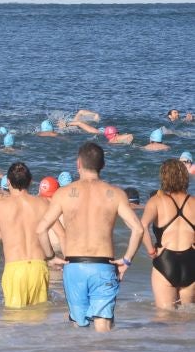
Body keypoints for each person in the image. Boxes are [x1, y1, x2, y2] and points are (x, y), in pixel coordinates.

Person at [36, 142, 144, 331]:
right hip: (103, 266)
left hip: (74, 267)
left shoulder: (62, 194)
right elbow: (139, 229)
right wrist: (126, 261)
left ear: (78, 164)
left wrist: (51, 257)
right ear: (103, 165)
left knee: (78, 328)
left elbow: (41, 229)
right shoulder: (116, 194)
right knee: (103, 329)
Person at [0, 163, 55, 308]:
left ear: (7, 181)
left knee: (14, 321)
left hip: (15, 270)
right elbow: (61, 233)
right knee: (38, 318)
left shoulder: (0, 206)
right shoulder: (43, 203)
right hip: (39, 267)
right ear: (31, 181)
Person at [140, 159, 194, 309]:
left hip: (165, 260)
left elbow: (142, 226)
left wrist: (151, 251)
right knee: (187, 316)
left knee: (164, 316)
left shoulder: (156, 201)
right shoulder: (194, 202)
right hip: (191, 260)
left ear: (164, 178)